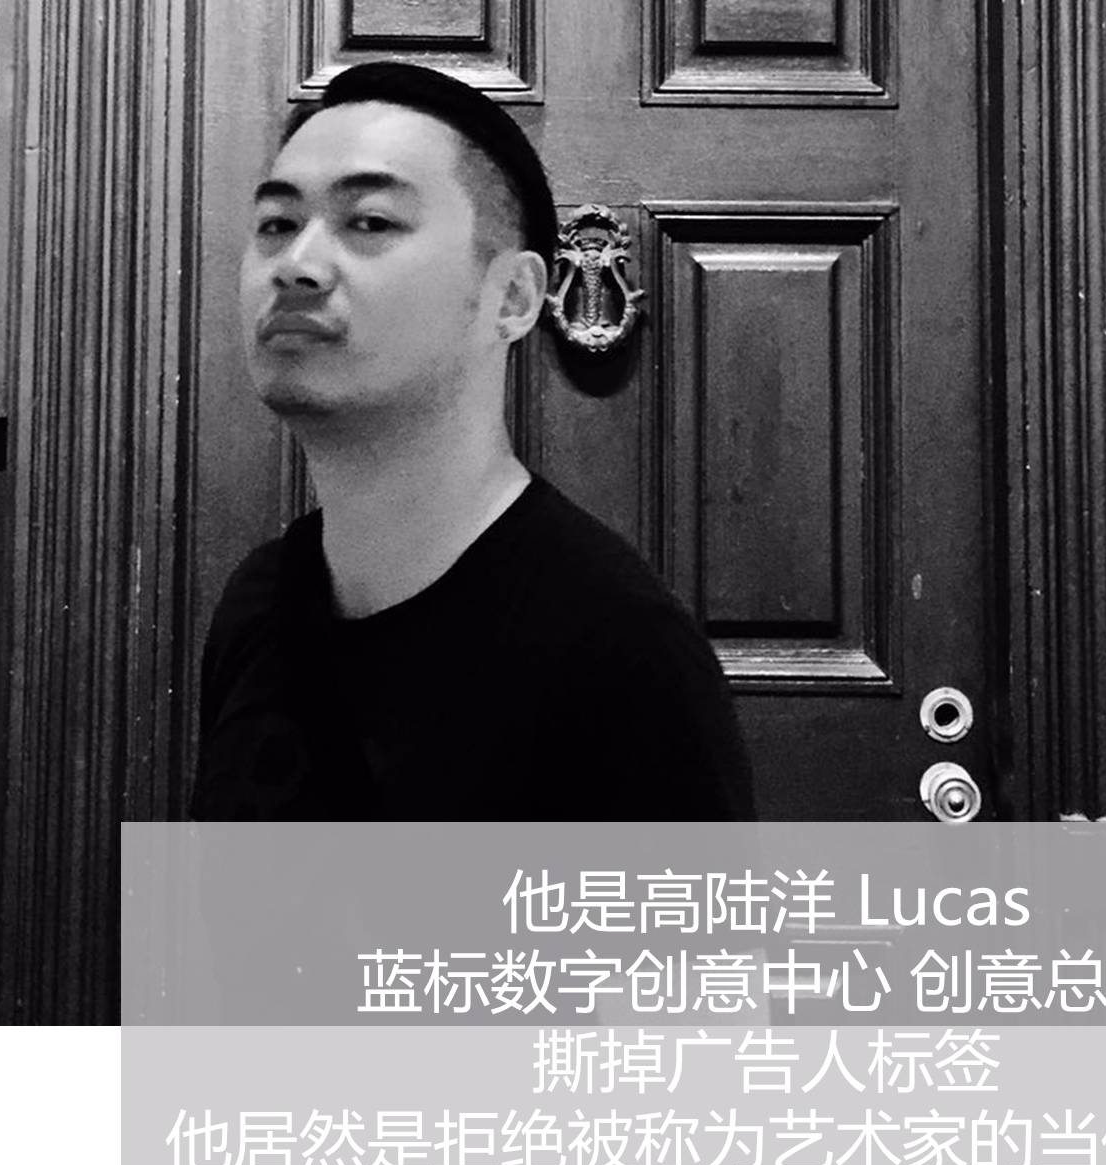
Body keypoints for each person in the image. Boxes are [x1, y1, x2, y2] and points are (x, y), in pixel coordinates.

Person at [190, 60, 754, 819]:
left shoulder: (620, 651)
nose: (297, 265)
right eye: (277, 226)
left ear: (513, 297)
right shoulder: (259, 604)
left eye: (370, 223)